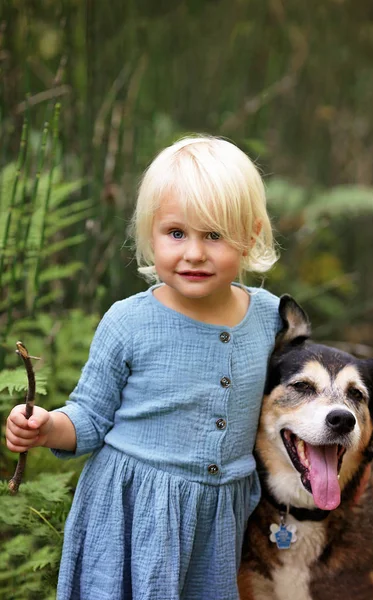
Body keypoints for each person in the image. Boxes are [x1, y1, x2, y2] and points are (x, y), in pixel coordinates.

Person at [5, 135, 281, 600]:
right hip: (134, 512)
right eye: (176, 233)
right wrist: (47, 426)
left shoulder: (270, 318)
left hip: (221, 517)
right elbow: (90, 417)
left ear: (251, 236)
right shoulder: (129, 322)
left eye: (214, 235)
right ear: (150, 233)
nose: (194, 253)